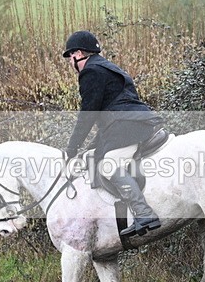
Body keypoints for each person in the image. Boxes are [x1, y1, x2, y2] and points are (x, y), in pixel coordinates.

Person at [62, 30, 162, 237]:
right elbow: (109, 112)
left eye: (69, 58)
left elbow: (88, 113)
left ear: (78, 54)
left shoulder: (91, 72)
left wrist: (72, 147)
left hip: (127, 126)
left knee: (108, 166)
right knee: (99, 157)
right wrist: (91, 146)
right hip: (129, 123)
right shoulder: (107, 67)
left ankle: (143, 213)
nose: (70, 64)